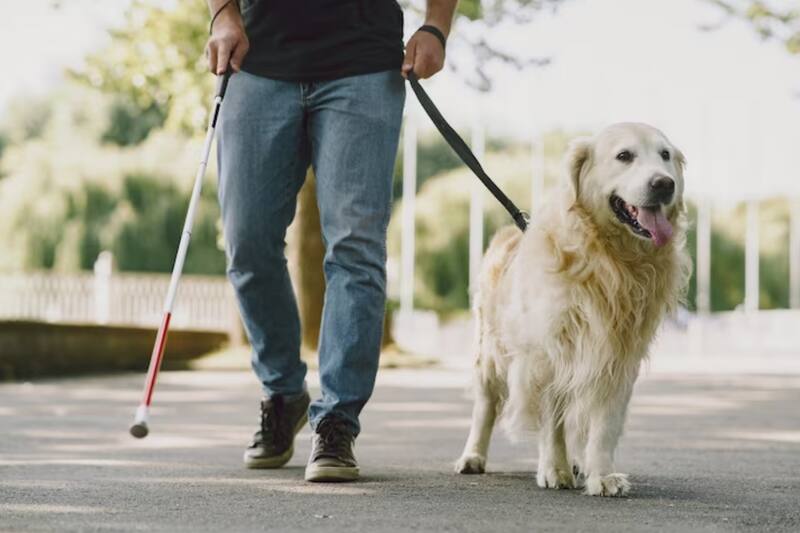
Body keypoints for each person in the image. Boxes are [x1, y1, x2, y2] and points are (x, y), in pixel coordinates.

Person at [205, 0, 457, 482]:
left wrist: (436, 27)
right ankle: (283, 393)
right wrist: (222, 14)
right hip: (258, 62)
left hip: (363, 67)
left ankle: (338, 419)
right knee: (247, 242)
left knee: (355, 249)